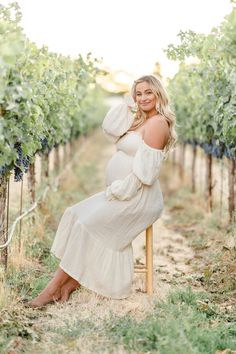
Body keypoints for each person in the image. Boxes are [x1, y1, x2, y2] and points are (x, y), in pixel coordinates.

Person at [26, 74, 177, 308]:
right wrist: (130, 102)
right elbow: (110, 127)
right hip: (123, 192)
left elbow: (146, 174)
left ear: (159, 93)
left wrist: (120, 190)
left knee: (87, 224)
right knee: (77, 215)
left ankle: (53, 289)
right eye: (138, 93)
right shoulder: (139, 120)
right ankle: (68, 285)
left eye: (149, 92)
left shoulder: (158, 123)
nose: (143, 97)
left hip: (138, 196)